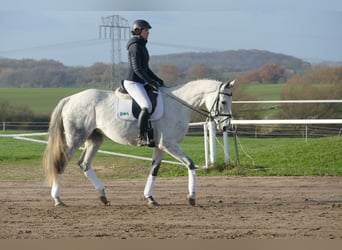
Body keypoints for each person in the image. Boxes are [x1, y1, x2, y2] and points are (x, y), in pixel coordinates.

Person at [123, 19, 164, 146]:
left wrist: (157, 79)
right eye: (146, 30)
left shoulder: (142, 46)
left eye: (148, 30)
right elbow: (137, 69)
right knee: (146, 105)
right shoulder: (135, 46)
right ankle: (141, 137)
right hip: (133, 82)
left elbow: (146, 68)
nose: (148, 32)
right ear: (138, 31)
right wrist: (150, 82)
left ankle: (151, 133)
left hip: (141, 81)